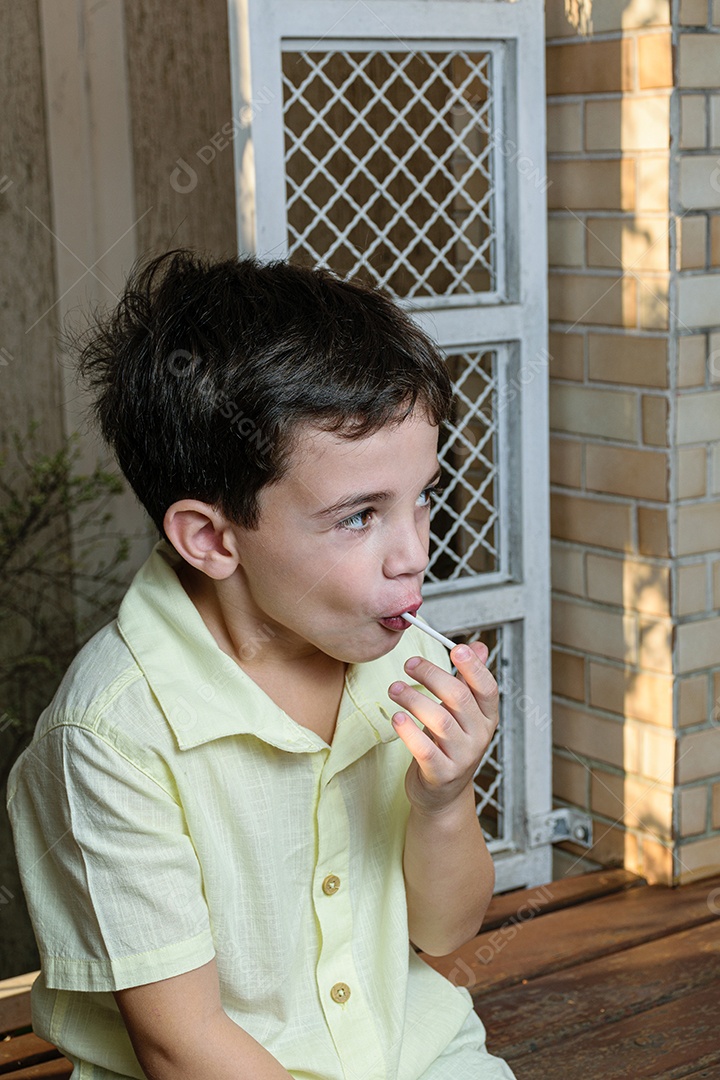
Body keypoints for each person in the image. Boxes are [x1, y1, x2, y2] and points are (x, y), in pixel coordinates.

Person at [8, 252, 515, 1080]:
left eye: (423, 494)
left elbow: (446, 932)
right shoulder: (111, 736)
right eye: (359, 517)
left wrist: (444, 801)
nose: (415, 554)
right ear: (212, 540)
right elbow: (181, 1043)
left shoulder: (407, 662)